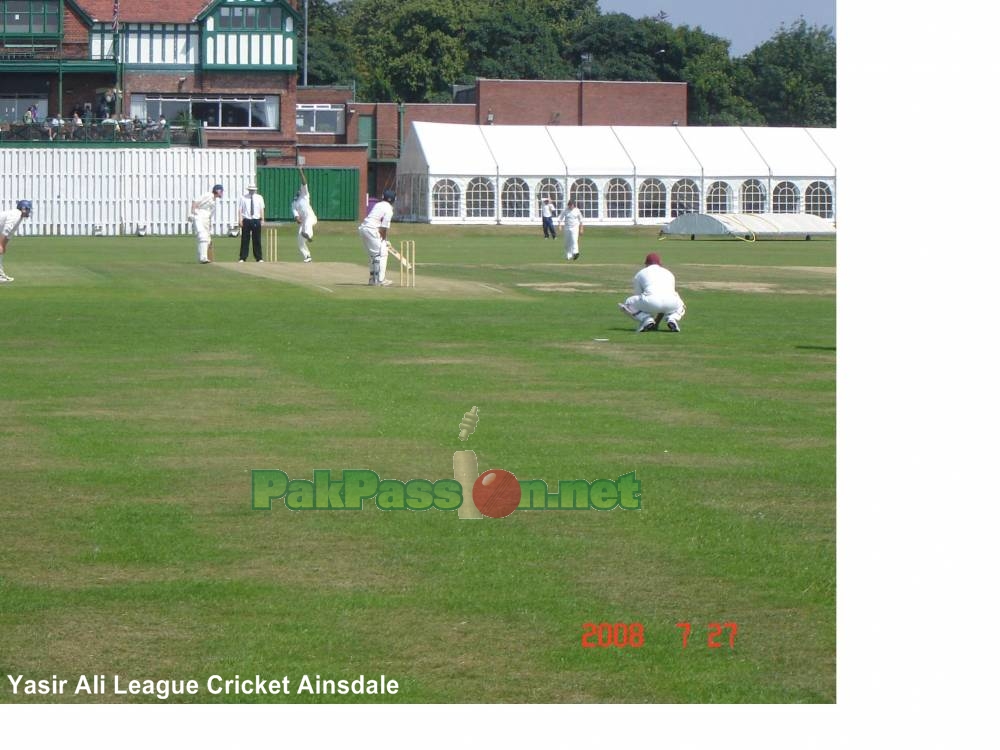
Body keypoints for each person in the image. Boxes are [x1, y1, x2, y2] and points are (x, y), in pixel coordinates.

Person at [618, 252, 686, 333]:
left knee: (627, 303)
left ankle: (646, 319)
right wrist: (656, 323)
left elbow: (638, 295)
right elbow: (668, 296)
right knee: (680, 304)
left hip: (651, 301)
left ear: (646, 264)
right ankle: (672, 318)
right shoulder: (669, 273)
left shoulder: (641, 273)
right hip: (671, 302)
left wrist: (649, 315)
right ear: (660, 264)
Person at [358, 189, 396, 286]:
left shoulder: (378, 205)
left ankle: (373, 279)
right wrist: (384, 241)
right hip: (371, 230)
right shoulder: (389, 209)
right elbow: (383, 228)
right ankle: (380, 279)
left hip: (363, 229)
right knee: (382, 254)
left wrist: (384, 241)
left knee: (373, 255)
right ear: (393, 200)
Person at [190, 183, 224, 264]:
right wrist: (193, 210)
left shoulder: (214, 200)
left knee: (207, 239)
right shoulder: (208, 195)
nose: (222, 193)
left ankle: (201, 257)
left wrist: (209, 224)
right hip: (199, 216)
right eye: (221, 191)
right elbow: (195, 200)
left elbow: (209, 214)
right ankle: (203, 258)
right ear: (217, 191)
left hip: (206, 219)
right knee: (202, 236)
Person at [0, 200, 31, 283]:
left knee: (1, 251)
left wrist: (3, 246)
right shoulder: (16, 214)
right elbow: (6, 229)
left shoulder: (19, 217)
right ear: (23, 209)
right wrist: (0, 245)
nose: (29, 211)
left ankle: (0, 275)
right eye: (28, 209)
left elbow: (9, 234)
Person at [290, 167, 316, 263]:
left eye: (299, 191)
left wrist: (300, 171)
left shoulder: (305, 195)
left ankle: (308, 235)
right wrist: (297, 219)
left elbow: (304, 182)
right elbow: (296, 216)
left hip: (311, 217)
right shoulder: (293, 203)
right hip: (303, 221)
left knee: (308, 226)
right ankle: (307, 256)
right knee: (299, 240)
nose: (298, 192)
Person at [237, 183, 266, 262]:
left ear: (255, 190)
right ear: (248, 190)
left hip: (256, 219)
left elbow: (261, 209)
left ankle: (259, 257)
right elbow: (240, 210)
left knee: (257, 239)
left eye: (253, 190)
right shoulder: (243, 198)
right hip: (246, 219)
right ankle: (243, 257)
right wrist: (240, 220)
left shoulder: (259, 197)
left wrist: (262, 219)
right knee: (245, 239)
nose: (252, 191)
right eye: (250, 190)